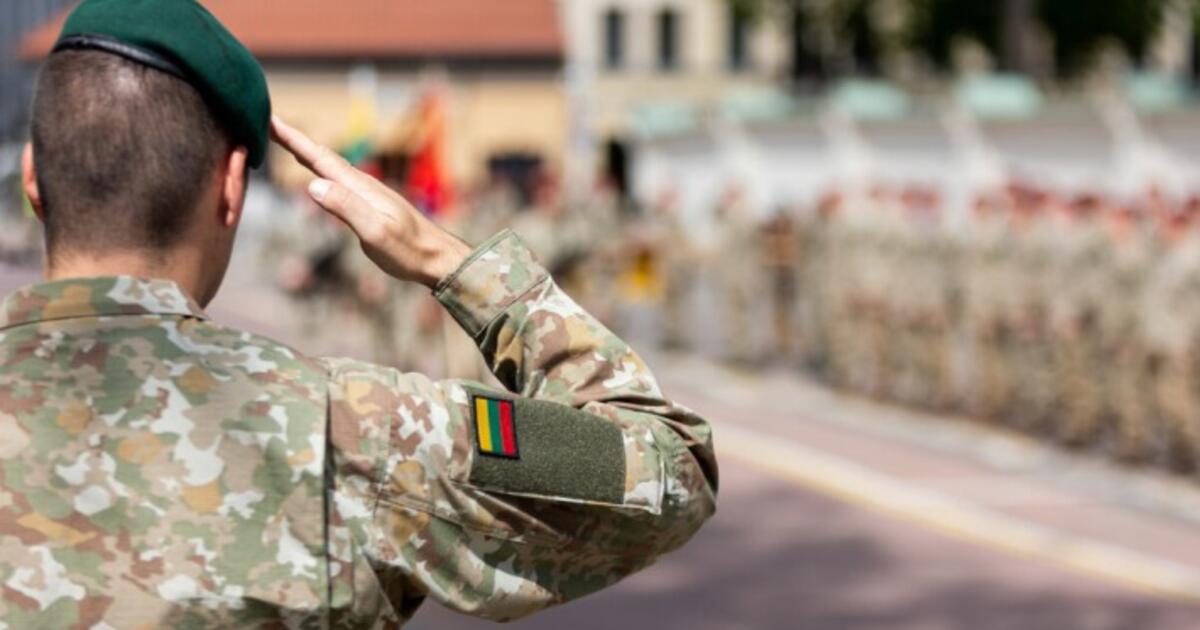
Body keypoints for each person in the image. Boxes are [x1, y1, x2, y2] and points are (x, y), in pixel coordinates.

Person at [0, 1, 718, 627]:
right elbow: (669, 468)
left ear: (33, 176)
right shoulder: (351, 428)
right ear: (230, 188)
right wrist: (445, 259)